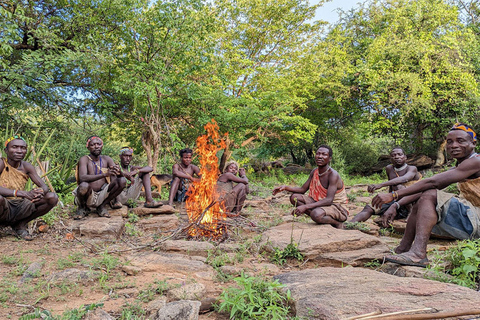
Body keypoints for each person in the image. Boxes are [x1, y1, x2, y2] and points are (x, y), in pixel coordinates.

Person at [372, 123, 480, 267]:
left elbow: (432, 182)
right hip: (473, 218)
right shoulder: (462, 165)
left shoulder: (476, 161)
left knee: (430, 195)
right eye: (449, 142)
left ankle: (418, 254)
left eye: (460, 141)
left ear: (473, 143)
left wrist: (394, 195)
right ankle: (403, 249)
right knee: (424, 197)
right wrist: (396, 205)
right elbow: (423, 190)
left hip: (477, 220)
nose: (453, 145)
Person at [272, 145, 349, 228]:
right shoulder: (315, 171)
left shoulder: (333, 175)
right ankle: (320, 216)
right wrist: (285, 187)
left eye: (324, 154)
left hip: (337, 207)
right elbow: (302, 189)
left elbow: (329, 200)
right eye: (318, 154)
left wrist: (305, 207)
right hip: (320, 203)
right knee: (294, 197)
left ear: (330, 158)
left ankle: (336, 223)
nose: (320, 156)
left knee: (315, 214)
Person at [0, 136, 58, 240]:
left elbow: (44, 187)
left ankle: (20, 225)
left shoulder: (27, 166)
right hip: (4, 204)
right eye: (15, 147)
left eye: (23, 148)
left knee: (52, 197)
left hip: (20, 205)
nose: (19, 151)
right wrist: (22, 193)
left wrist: (38, 192)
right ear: (6, 150)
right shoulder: (1, 164)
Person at [349, 147, 421, 225]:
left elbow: (404, 179)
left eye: (400, 154)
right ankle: (350, 224)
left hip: (410, 202)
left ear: (405, 157)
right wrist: (387, 202)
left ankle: (410, 212)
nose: (397, 157)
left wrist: (380, 185)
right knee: (369, 208)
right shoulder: (389, 168)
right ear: (390, 159)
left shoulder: (412, 168)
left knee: (399, 187)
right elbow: (391, 187)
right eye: (393, 155)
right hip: (394, 200)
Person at [73, 136, 126, 219]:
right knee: (83, 186)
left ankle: (102, 206)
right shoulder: (84, 159)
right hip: (88, 195)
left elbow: (118, 177)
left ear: (102, 146)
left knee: (122, 181)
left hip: (103, 194)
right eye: (93, 145)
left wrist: (119, 171)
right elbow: (82, 178)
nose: (96, 146)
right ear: (88, 147)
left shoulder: (107, 159)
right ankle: (83, 208)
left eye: (99, 144)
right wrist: (104, 174)